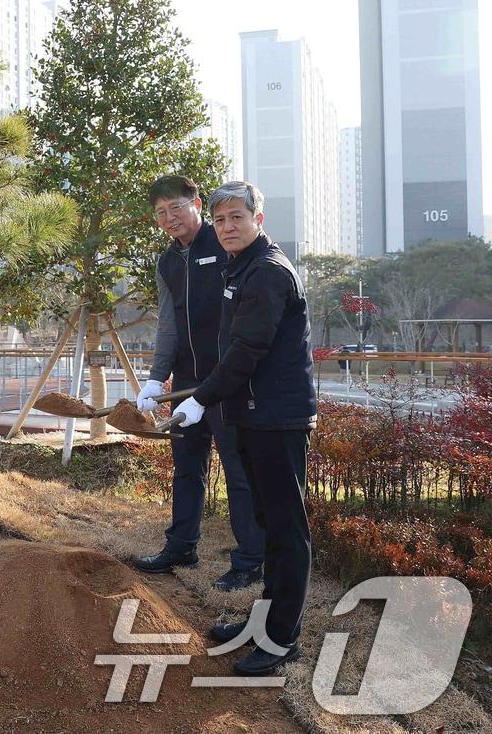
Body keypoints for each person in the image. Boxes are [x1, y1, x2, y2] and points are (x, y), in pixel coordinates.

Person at [171, 180, 318, 677]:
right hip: (253, 415)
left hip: (278, 418)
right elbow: (230, 348)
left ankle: (281, 641)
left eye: (237, 217)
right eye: (221, 219)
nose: (228, 227)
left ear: (259, 219)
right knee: (269, 524)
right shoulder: (242, 267)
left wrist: (200, 398)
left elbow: (248, 350)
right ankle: (264, 623)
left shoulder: (269, 273)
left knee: (286, 530)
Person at [134, 175, 265, 592]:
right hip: (186, 382)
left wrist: (217, 384)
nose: (169, 218)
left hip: (228, 382)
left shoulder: (225, 246)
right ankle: (181, 546)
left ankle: (249, 561)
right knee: (187, 469)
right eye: (160, 212)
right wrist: (157, 378)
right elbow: (169, 325)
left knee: (239, 473)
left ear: (196, 204)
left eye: (176, 207)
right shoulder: (168, 261)